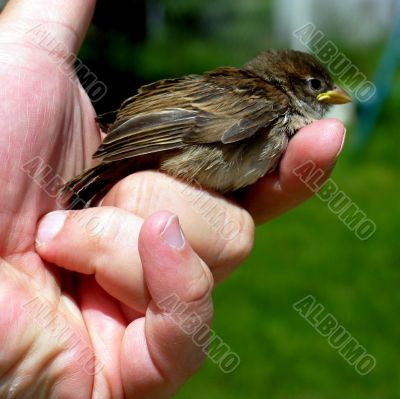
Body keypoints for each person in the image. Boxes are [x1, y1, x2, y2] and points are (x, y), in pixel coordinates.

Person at [0, 0, 345, 397]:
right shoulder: (265, 99)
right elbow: (185, 122)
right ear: (292, 84)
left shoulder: (264, 100)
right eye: (318, 87)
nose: (333, 96)